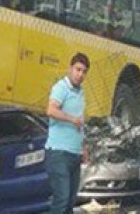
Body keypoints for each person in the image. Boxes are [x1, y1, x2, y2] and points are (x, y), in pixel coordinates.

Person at [45, 52, 90, 214]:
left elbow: (81, 121)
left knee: (70, 201)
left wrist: (84, 147)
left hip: (74, 153)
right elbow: (51, 110)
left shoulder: (80, 92)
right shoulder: (61, 87)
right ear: (70, 68)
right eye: (78, 70)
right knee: (61, 199)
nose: (80, 75)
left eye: (84, 72)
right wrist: (71, 119)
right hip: (59, 153)